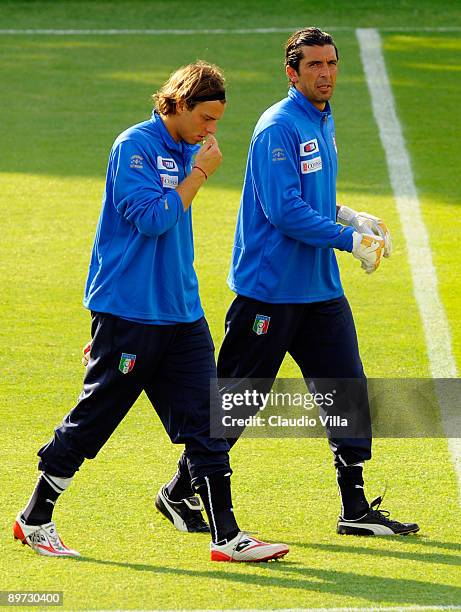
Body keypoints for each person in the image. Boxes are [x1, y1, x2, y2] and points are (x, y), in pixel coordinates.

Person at [13, 61, 289, 563]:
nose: (211, 131)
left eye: (217, 121)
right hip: (131, 313)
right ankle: (35, 518)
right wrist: (200, 174)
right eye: (206, 118)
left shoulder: (187, 148)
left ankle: (227, 537)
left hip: (182, 313)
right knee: (96, 417)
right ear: (179, 104)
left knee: (210, 422)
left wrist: (194, 164)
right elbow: (153, 220)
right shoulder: (134, 147)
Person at [150, 29, 419, 537]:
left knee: (347, 393)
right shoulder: (277, 127)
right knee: (235, 402)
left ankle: (355, 508)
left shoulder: (321, 121)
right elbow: (283, 210)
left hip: (319, 291)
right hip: (269, 293)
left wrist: (350, 216)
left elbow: (310, 196)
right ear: (292, 73)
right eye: (315, 65)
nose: (326, 73)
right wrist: (347, 240)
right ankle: (180, 490)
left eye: (332, 63)